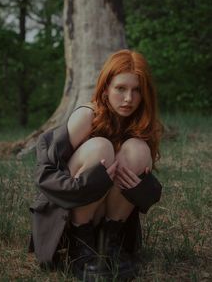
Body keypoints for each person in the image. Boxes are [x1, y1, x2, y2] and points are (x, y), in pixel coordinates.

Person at [29, 49, 163, 281]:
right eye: (120, 88)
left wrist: (143, 187)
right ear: (106, 87)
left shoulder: (141, 124)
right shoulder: (87, 115)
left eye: (137, 90)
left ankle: (110, 244)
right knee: (101, 147)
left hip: (109, 215)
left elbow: (149, 195)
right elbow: (43, 174)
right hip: (69, 214)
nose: (129, 98)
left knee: (138, 149)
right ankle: (81, 246)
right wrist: (86, 184)